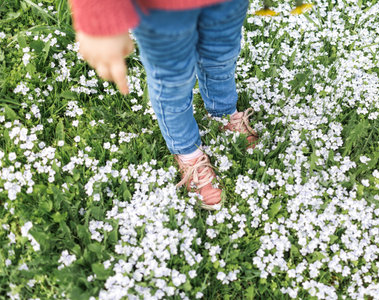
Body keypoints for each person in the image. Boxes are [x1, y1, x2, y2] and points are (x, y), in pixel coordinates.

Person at [69, 0, 258, 210]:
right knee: (173, 81)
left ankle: (224, 113)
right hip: (161, 7)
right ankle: (189, 153)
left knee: (222, 56)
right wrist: (100, 18)